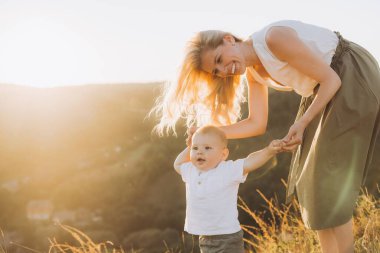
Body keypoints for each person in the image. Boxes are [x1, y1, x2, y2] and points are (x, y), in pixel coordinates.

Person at [153, 20, 380, 253]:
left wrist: (301, 123)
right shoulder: (253, 73)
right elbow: (256, 123)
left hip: (350, 74)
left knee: (327, 174)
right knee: (310, 181)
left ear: (229, 39)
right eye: (216, 71)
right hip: (323, 89)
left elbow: (332, 79)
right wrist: (209, 133)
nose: (224, 71)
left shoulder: (273, 38)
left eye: (219, 59)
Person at [174, 125, 284, 253]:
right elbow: (177, 164)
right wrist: (189, 145)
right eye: (195, 148)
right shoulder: (191, 170)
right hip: (204, 237)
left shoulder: (227, 170)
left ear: (223, 154)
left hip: (227, 238)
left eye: (207, 148)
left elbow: (249, 162)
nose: (199, 152)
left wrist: (269, 151)